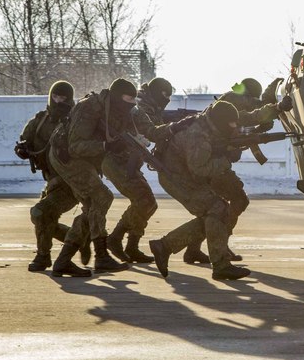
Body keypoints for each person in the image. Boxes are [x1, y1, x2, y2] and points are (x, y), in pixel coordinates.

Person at [48, 78, 186, 277]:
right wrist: (106, 146)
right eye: (127, 100)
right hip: (66, 156)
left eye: (133, 101)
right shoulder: (89, 108)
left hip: (88, 156)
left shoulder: (131, 110)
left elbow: (152, 131)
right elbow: (75, 147)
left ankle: (66, 260)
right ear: (116, 97)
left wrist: (175, 127)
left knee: (93, 206)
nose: (131, 104)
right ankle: (100, 256)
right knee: (101, 197)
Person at [181, 77, 290, 265]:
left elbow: (240, 129)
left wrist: (258, 129)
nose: (253, 103)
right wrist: (275, 109)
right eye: (253, 99)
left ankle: (195, 249)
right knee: (236, 201)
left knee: (216, 208)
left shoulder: (231, 101)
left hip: (214, 162)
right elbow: (250, 115)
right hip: (212, 164)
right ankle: (217, 247)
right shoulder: (234, 99)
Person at [149, 101, 252, 280]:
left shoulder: (210, 125)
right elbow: (200, 168)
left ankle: (165, 246)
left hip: (186, 175)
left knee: (215, 213)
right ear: (221, 122)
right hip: (176, 177)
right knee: (218, 209)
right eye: (231, 124)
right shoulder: (198, 135)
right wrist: (225, 159)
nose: (234, 127)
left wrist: (232, 148)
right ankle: (220, 265)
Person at [104, 77, 191, 264]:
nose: (167, 99)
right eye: (164, 95)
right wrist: (173, 127)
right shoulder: (130, 108)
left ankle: (130, 245)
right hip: (114, 160)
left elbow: (152, 131)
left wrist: (174, 126)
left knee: (148, 203)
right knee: (144, 201)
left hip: (128, 160)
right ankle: (116, 239)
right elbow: (152, 131)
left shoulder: (140, 109)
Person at [14, 81, 90, 272]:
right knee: (42, 218)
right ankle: (78, 238)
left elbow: (88, 147)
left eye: (63, 98)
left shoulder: (77, 121)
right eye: (55, 97)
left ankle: (43, 257)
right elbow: (25, 140)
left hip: (72, 183)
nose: (58, 101)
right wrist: (22, 150)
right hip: (52, 182)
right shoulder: (40, 121)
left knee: (41, 212)